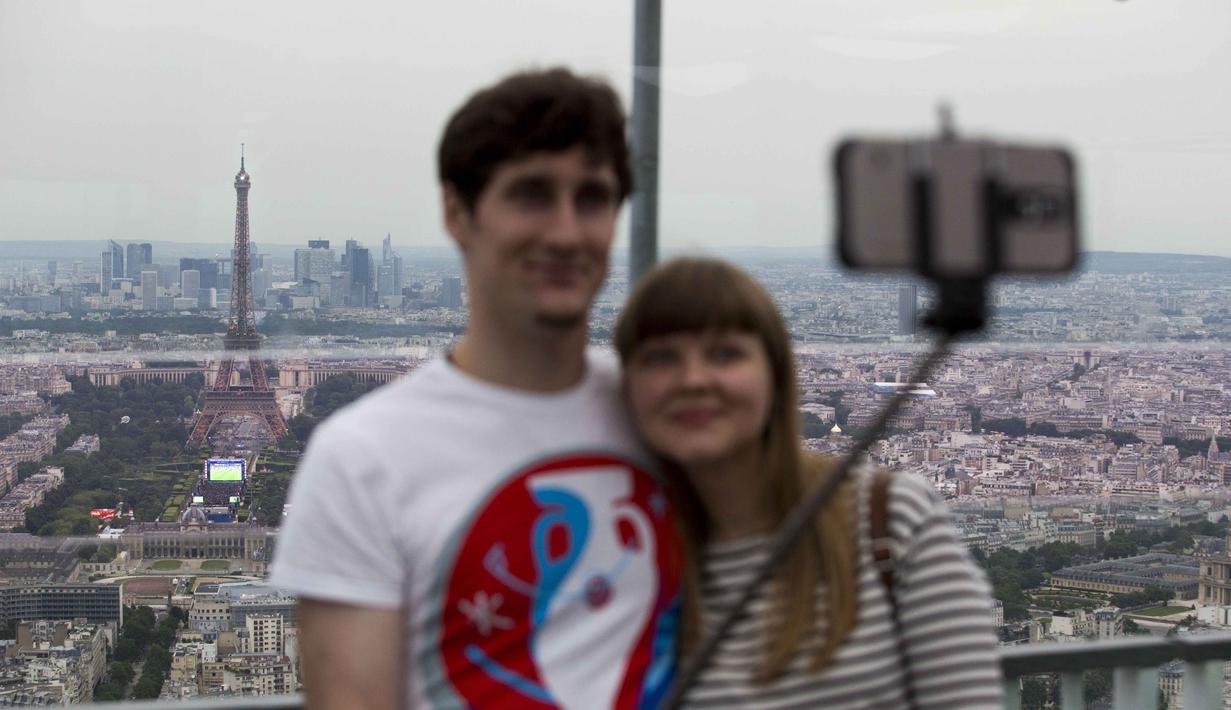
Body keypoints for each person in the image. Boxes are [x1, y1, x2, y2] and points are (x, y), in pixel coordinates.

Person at [271, 68, 681, 710]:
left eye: (593, 199)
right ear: (456, 213)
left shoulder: (667, 415)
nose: (567, 231)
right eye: (532, 196)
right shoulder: (359, 462)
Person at [615, 257, 1003, 709]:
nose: (694, 379)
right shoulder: (606, 549)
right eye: (661, 358)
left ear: (777, 377)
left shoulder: (891, 517)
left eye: (724, 353)